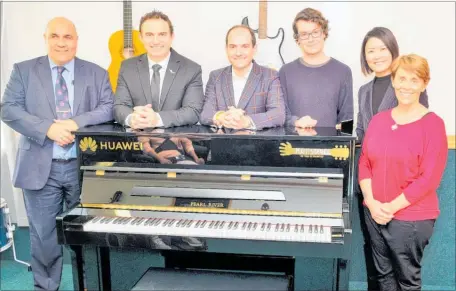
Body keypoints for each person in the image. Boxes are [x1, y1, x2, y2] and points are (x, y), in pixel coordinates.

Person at [0, 17, 113, 290]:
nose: (62, 42)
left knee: (87, 232)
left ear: (76, 40)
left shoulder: (97, 73)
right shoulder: (24, 70)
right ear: (46, 38)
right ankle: (47, 286)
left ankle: (89, 284)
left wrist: (74, 123)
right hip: (40, 167)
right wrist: (48, 128)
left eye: (68, 37)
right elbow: (9, 109)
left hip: (84, 169)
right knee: (44, 236)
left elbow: (108, 108)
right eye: (55, 36)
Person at [358, 54, 448, 291]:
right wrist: (371, 201)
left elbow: (429, 179)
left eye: (414, 80)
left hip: (411, 219)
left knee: (406, 282)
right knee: (383, 278)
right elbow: (365, 162)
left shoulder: (433, 124)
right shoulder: (378, 120)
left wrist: (390, 208)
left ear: (424, 84)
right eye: (402, 78)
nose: (406, 85)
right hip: (374, 213)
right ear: (393, 81)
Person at [114, 10, 204, 129]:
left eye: (162, 34)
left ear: (172, 36)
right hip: (136, 142)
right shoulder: (127, 67)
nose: (155, 41)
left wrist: (157, 119)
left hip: (175, 143)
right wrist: (132, 118)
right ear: (141, 37)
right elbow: (119, 106)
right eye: (149, 35)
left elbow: (193, 111)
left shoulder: (191, 69)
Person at [278, 8, 353, 128]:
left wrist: (345, 145)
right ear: (297, 39)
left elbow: (347, 118)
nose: (311, 39)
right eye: (304, 34)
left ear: (324, 33)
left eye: (315, 32)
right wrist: (296, 122)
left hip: (331, 146)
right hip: (291, 145)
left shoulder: (343, 71)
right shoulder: (285, 72)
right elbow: (280, 114)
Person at [200, 25, 285, 130]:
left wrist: (246, 121)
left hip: (259, 145)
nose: (238, 53)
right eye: (233, 46)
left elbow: (278, 114)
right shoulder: (216, 77)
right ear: (226, 49)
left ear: (254, 48)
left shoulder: (271, 76)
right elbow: (205, 114)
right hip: (221, 145)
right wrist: (222, 117)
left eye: (244, 46)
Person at [356, 27, 428, 143]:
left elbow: (422, 125)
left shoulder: (408, 87)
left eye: (383, 49)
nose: (377, 56)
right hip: (368, 159)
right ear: (365, 56)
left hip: (403, 157)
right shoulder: (363, 91)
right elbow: (361, 131)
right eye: (371, 51)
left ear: (392, 50)